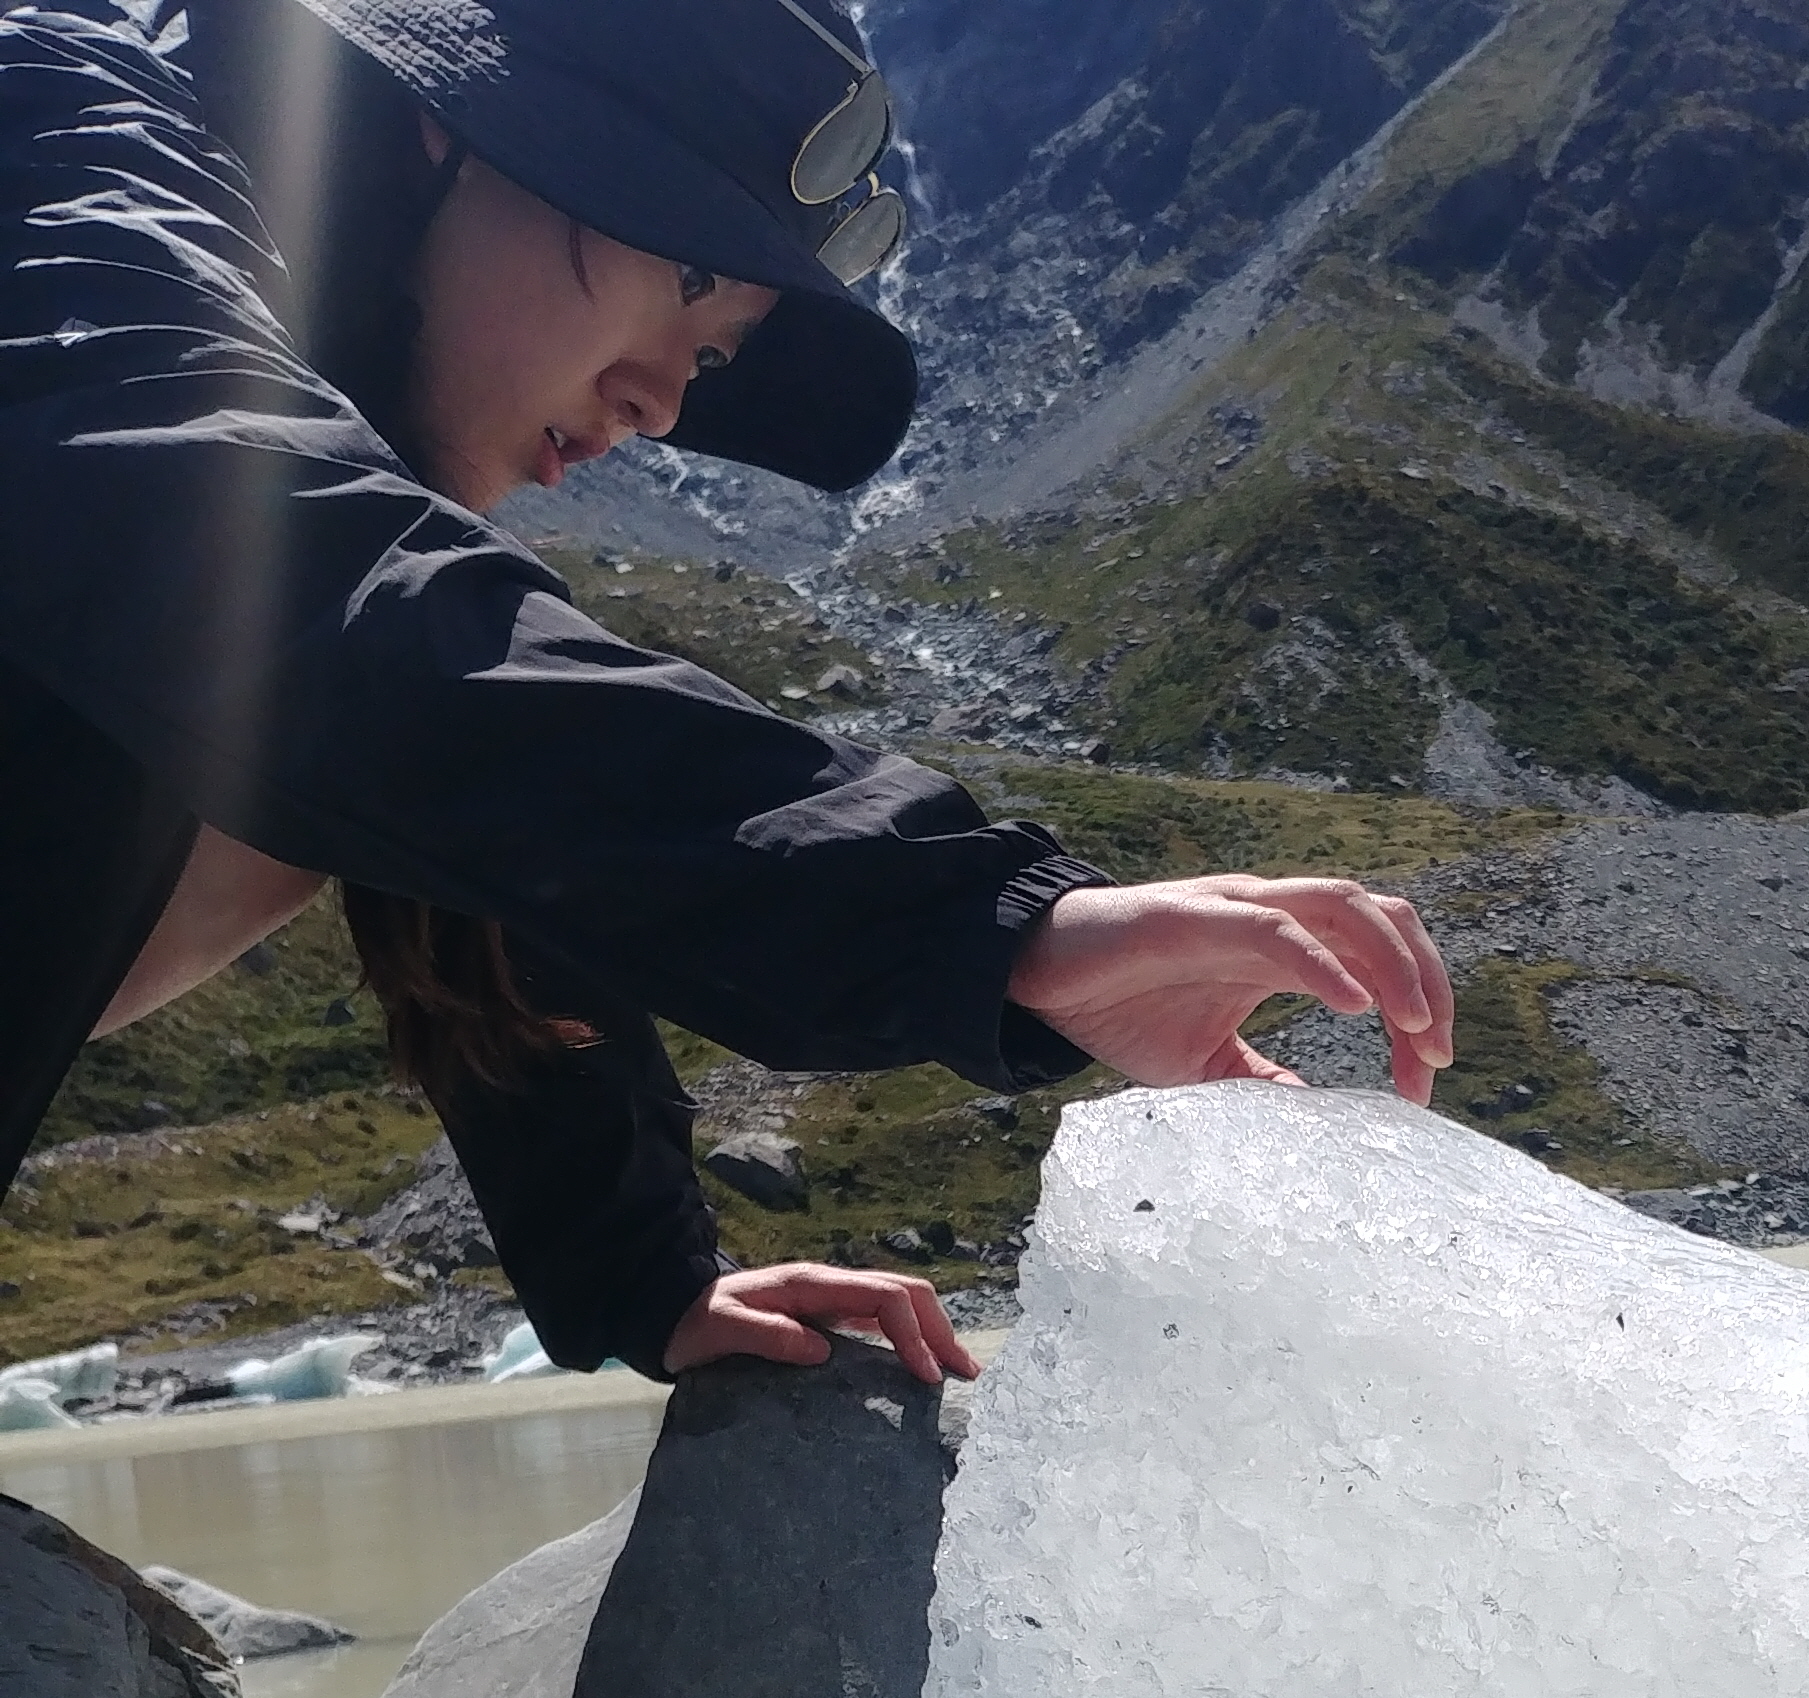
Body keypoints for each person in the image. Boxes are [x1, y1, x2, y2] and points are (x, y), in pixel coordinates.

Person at [0, 0, 1454, 1390]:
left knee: (363, 698)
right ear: (455, 129)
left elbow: (457, 764)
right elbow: (304, 590)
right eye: (689, 286)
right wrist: (994, 921)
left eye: (712, 360)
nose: (662, 405)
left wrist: (648, 1278)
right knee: (292, 641)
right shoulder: (52, 131)